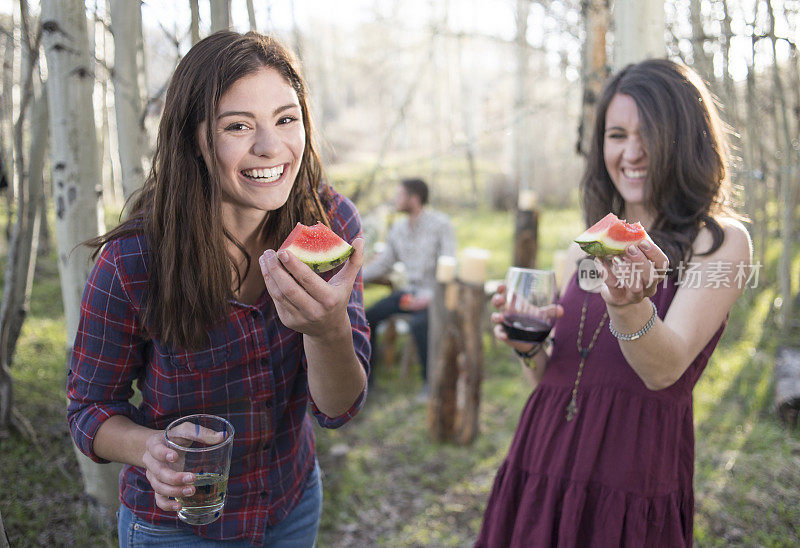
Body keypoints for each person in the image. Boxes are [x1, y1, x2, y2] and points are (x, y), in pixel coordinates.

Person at [66, 31, 370, 547]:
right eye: (237, 126)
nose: (271, 147)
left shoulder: (332, 222)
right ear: (195, 140)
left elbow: (338, 409)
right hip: (178, 528)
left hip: (292, 504)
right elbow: (87, 410)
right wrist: (149, 449)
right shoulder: (133, 262)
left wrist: (328, 331)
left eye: (285, 118)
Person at [476, 59, 752, 547]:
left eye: (650, 134)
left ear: (686, 139)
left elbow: (664, 370)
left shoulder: (721, 243)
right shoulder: (580, 247)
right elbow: (551, 376)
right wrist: (528, 342)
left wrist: (629, 306)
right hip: (540, 458)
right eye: (617, 134)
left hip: (628, 474)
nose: (632, 153)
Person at [362, 178, 456, 395]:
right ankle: (367, 381)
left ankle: (430, 383)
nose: (396, 200)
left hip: (435, 295)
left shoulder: (441, 225)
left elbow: (450, 264)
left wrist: (432, 297)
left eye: (399, 195)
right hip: (409, 293)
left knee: (419, 325)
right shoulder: (398, 229)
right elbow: (385, 262)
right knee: (368, 317)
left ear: (414, 199)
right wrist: (354, 277)